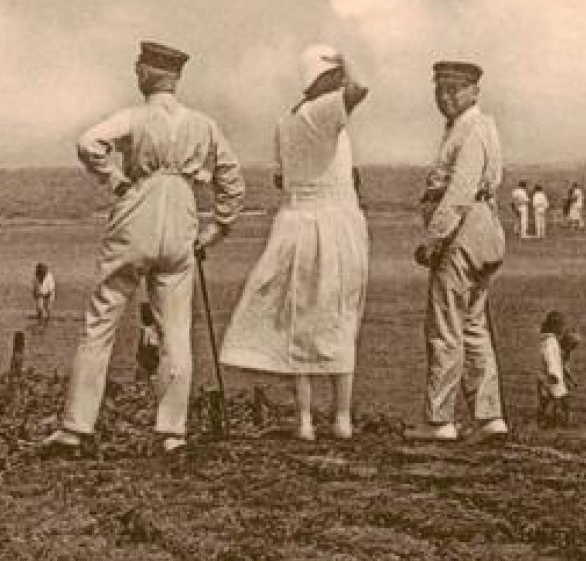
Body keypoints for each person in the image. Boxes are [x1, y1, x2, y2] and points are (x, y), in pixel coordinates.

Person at [43, 40, 245, 456]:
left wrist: (114, 179)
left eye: (140, 67)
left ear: (150, 74)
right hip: (182, 213)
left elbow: (88, 142)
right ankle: (172, 431)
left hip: (138, 208)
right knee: (176, 329)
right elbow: (232, 179)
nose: (136, 71)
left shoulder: (135, 117)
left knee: (102, 318)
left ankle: (76, 428)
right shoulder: (202, 124)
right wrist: (219, 227)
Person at [219, 43, 370, 441]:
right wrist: (345, 52)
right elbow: (362, 87)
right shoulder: (322, 113)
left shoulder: (288, 120)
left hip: (295, 222)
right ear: (324, 78)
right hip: (332, 222)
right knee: (340, 316)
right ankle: (341, 418)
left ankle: (304, 419)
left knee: (299, 321)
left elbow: (281, 180)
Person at [408, 60, 508, 442]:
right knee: (473, 326)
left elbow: (459, 192)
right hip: (483, 229)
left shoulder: (471, 130)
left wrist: (434, 240)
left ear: (474, 91)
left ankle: (439, 420)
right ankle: (489, 417)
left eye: (454, 90)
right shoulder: (476, 127)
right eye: (440, 90)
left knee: (445, 326)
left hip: (463, 231)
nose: (445, 97)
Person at [537, 310, 571, 429]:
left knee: (551, 400)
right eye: (561, 325)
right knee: (556, 401)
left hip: (549, 377)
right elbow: (550, 358)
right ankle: (552, 423)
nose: (563, 328)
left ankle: (550, 422)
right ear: (555, 326)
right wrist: (553, 374)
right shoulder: (549, 342)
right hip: (551, 378)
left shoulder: (548, 340)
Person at [136, 301, 162, 383]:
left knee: (148, 360)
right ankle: (151, 375)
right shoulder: (153, 327)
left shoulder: (146, 329)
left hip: (149, 347)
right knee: (151, 360)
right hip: (153, 346)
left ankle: (150, 375)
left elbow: (144, 342)